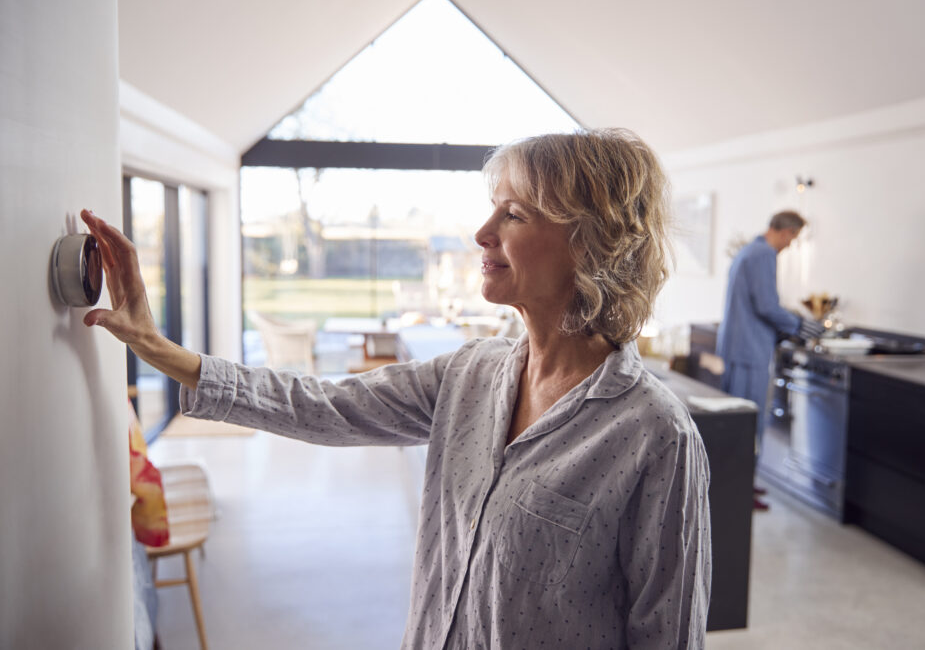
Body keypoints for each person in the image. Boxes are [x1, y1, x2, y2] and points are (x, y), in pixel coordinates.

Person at [82, 128, 712, 649]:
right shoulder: (471, 373)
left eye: (514, 214)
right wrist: (162, 351)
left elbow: (668, 636)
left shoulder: (655, 437)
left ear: (591, 243)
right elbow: (324, 405)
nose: (482, 232)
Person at [715, 210, 824, 510]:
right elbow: (766, 305)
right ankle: (739, 493)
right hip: (749, 351)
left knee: (738, 421)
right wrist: (800, 324)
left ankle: (740, 485)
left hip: (738, 348)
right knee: (748, 423)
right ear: (787, 232)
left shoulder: (748, 251)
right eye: (793, 238)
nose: (790, 245)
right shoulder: (764, 254)